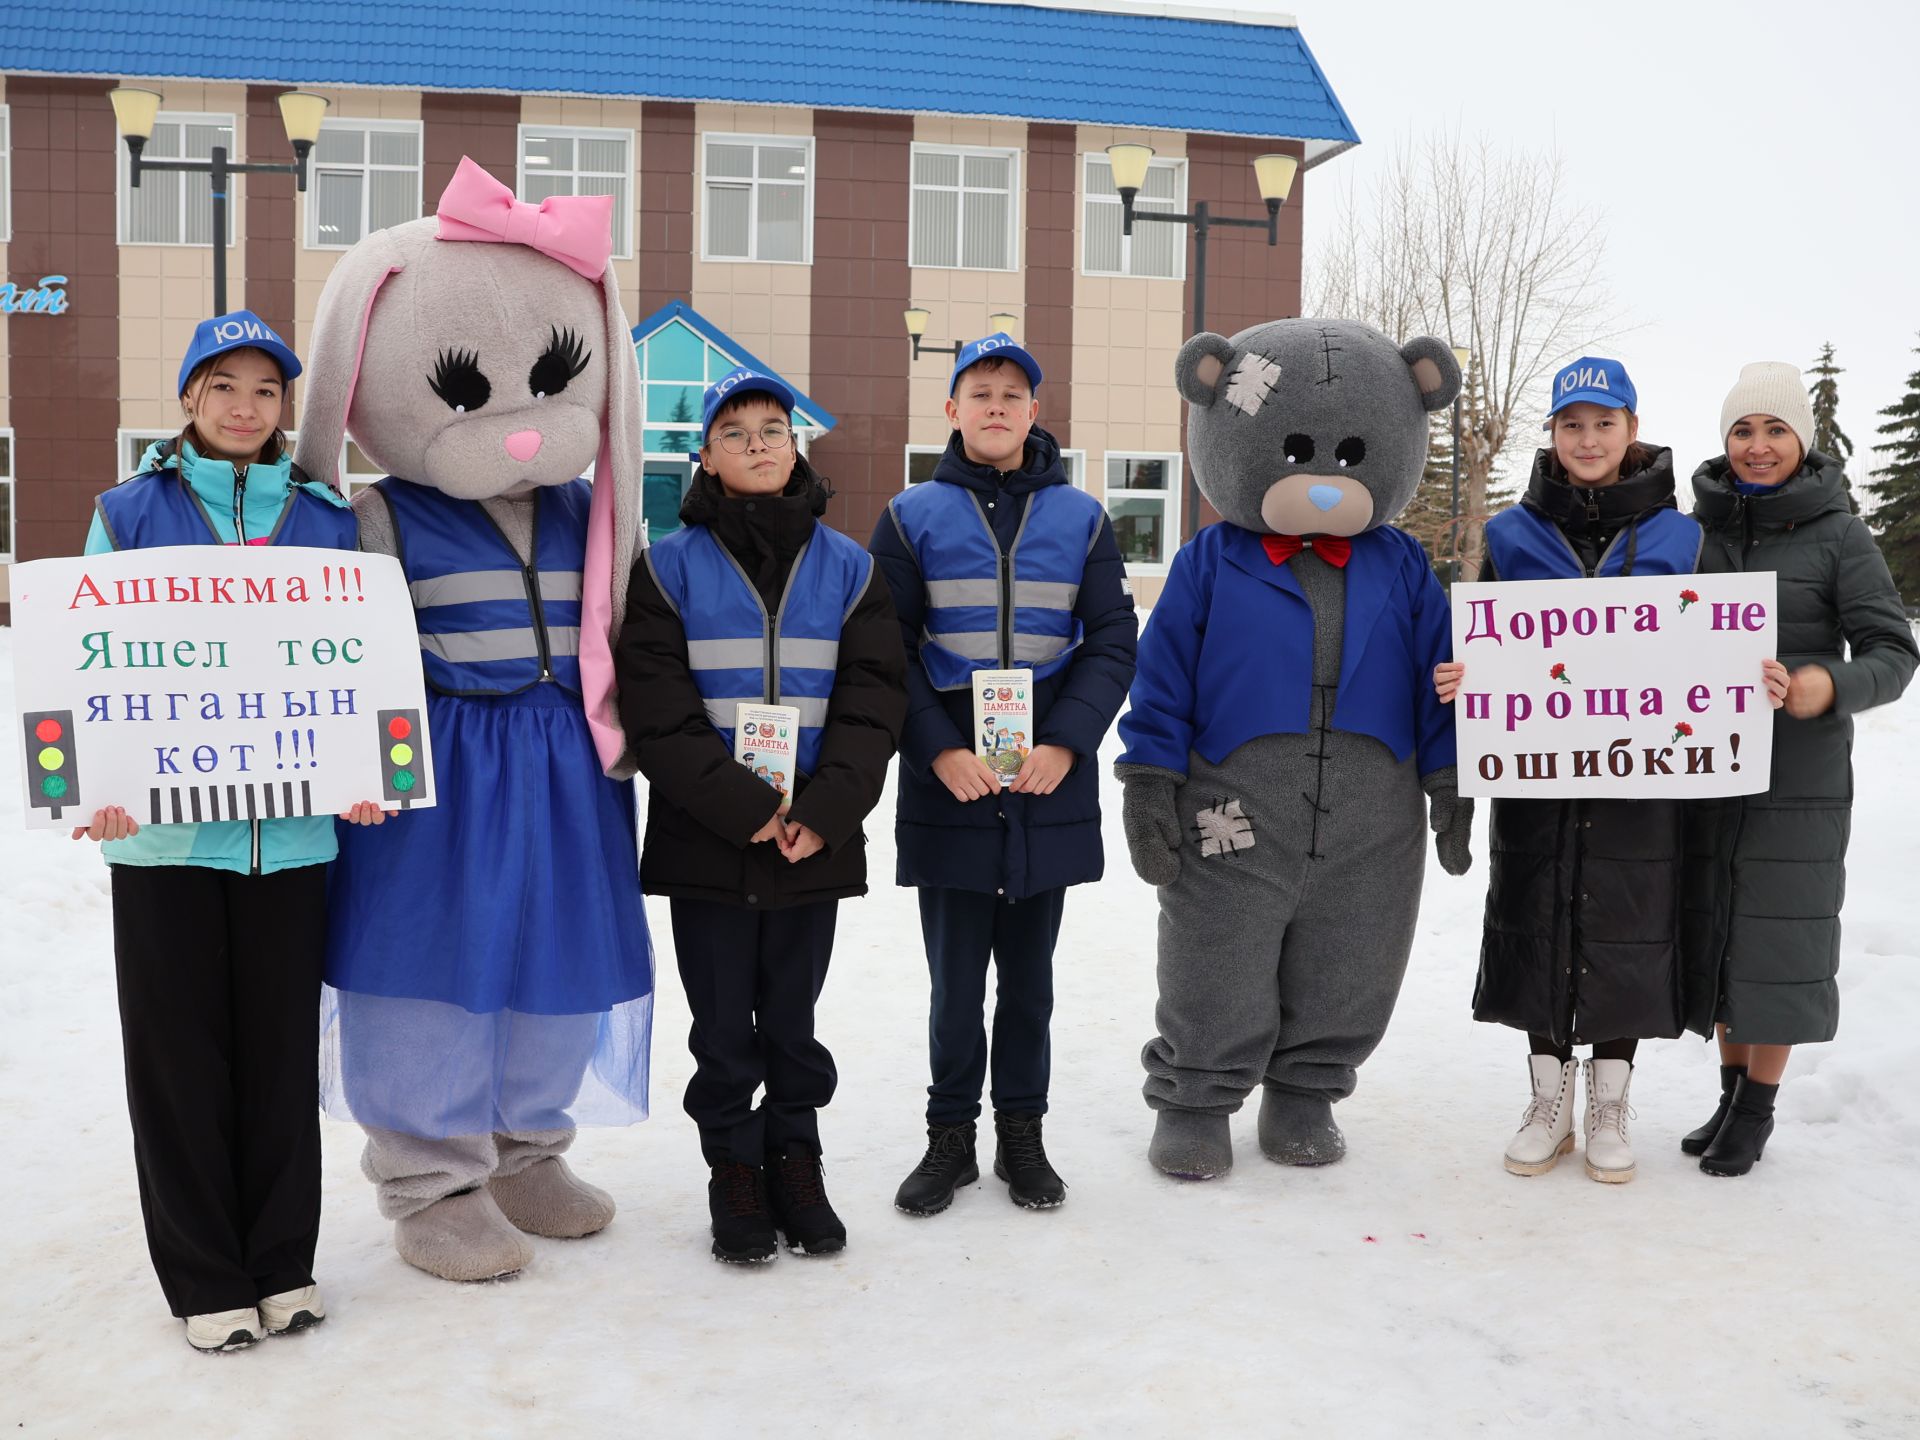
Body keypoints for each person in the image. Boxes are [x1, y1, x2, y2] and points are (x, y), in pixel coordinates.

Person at [75, 312, 375, 1350]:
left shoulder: (329, 520)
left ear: (287, 407)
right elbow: (89, 664)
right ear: (189, 399)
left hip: (289, 837)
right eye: (225, 386)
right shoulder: (128, 511)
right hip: (161, 842)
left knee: (279, 1060)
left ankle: (283, 1265)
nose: (246, 407)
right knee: (179, 1063)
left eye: (266, 390)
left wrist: (371, 768)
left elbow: (360, 662)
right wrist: (92, 782)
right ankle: (207, 1279)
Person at [618, 368, 905, 1261]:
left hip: (810, 838)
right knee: (720, 1025)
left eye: (771, 430)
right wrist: (747, 810)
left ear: (796, 447)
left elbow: (874, 699)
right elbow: (656, 708)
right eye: (733, 432)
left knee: (791, 1015)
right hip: (712, 837)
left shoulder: (852, 567)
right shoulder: (665, 568)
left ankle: (796, 1160)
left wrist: (822, 811)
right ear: (705, 455)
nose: (754, 445)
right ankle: (733, 1172)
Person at [1435, 355, 1728, 1183]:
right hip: (1539, 777)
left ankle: (1609, 1105)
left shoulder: (1685, 535)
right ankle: (1546, 1101)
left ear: (1633, 430)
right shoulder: (1509, 533)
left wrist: (1753, 676)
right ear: (1554, 435)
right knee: (1542, 919)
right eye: (1572, 424)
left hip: (1643, 782)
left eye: (1604, 423)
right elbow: (1483, 642)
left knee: (1624, 930)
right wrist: (1464, 675)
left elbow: (1715, 646)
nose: (1588, 439)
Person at [869, 333, 1137, 1216]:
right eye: (979, 392)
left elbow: (1111, 641)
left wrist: (1067, 743)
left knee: (1030, 982)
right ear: (950, 410)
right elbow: (885, 650)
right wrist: (939, 748)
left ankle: (1023, 1133)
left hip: (1044, 784)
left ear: (1034, 411)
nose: (995, 406)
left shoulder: (1084, 517)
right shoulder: (910, 515)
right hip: (949, 781)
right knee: (954, 983)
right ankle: (950, 1138)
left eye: (1012, 394)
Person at [1679, 362, 1916, 1176]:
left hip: (1798, 777)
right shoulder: (1692, 533)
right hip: (1705, 771)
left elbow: (1894, 652)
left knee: (1779, 942)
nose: (1757, 445)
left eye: (1775, 430)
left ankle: (1757, 1108)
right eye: (1743, 429)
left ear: (1801, 442)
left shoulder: (1842, 534)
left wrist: (1825, 685)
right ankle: (1728, 1089)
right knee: (1718, 936)